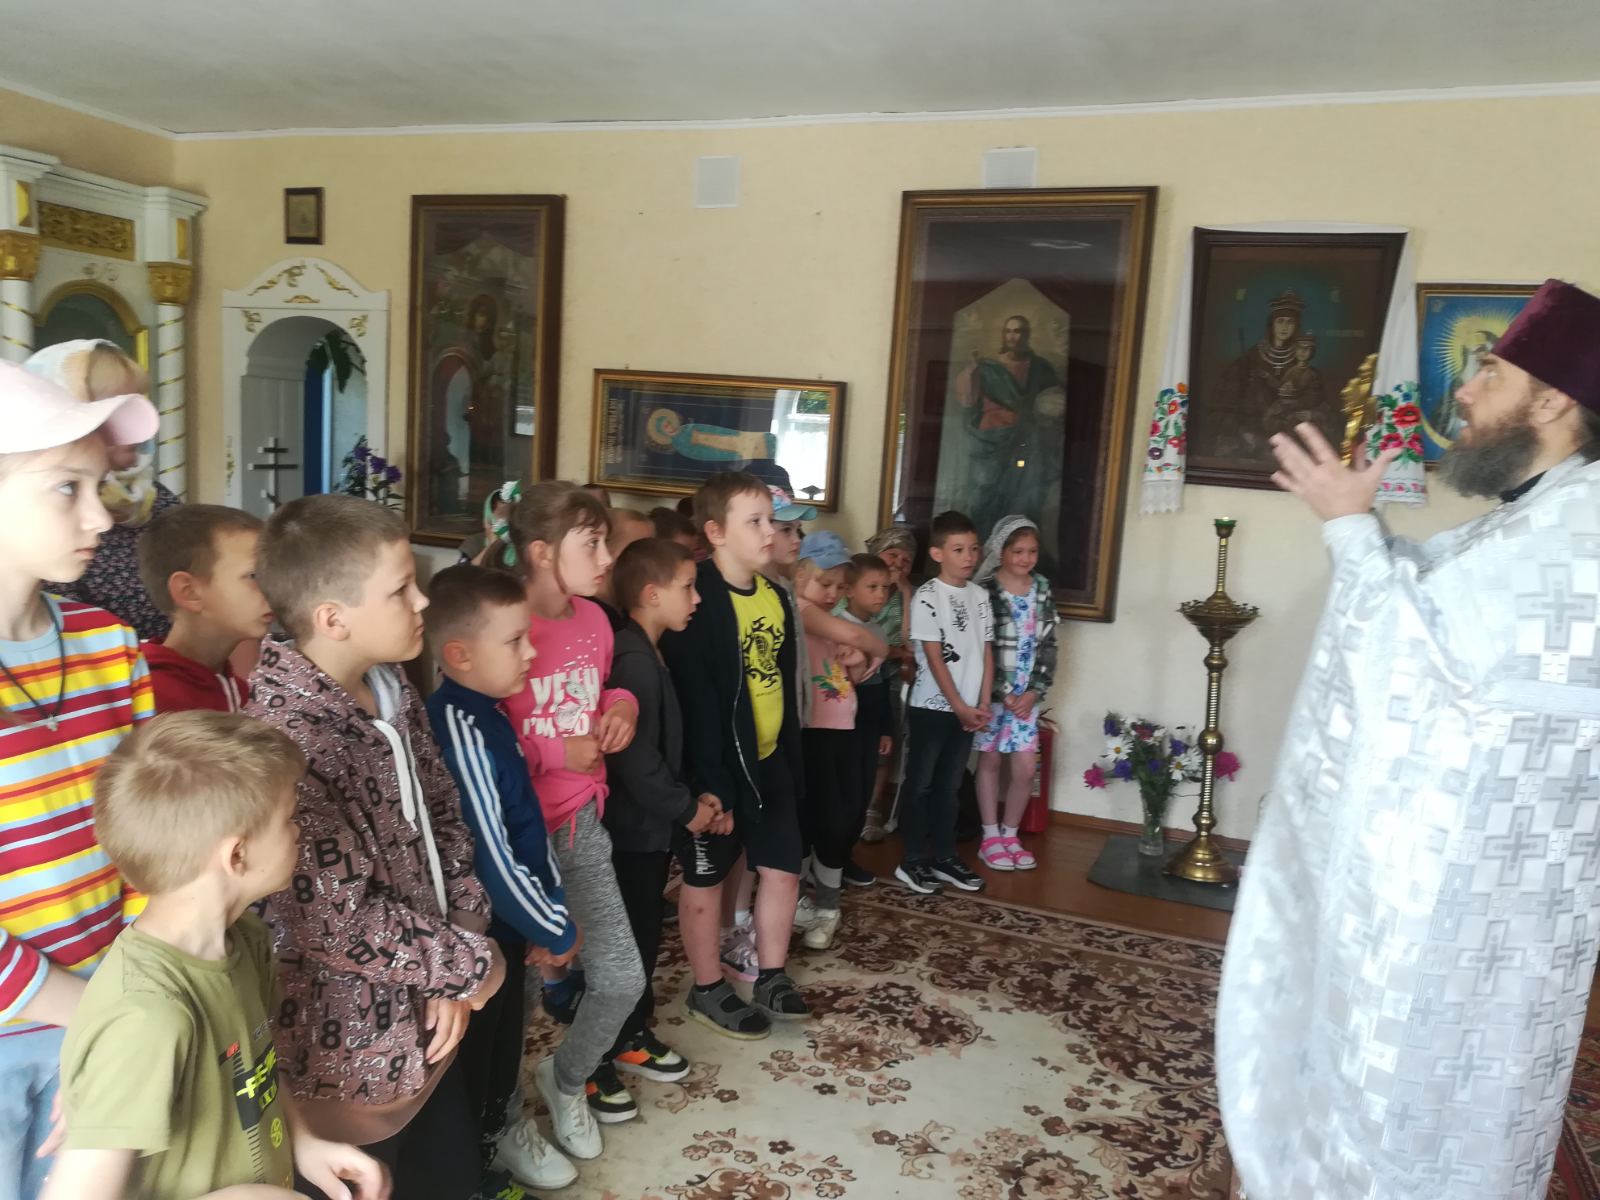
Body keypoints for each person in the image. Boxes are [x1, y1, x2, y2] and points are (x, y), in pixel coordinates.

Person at [1217, 278, 1600, 1200]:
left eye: (1490, 372)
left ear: (1553, 401)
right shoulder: (1548, 514)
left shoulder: (1575, 533)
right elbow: (1436, 618)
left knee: (1416, 1091)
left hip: (1466, 902)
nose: (1463, 391)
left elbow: (1410, 657)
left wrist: (1349, 528)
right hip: (1489, 892)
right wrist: (1362, 527)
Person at [244, 494, 507, 1200]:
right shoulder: (287, 741)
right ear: (334, 618)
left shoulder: (391, 688)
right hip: (348, 1052)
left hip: (428, 1006)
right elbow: (333, 920)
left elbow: (446, 816)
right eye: (401, 589)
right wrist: (471, 966)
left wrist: (458, 951)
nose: (422, 601)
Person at [43, 712, 388, 1200]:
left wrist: (304, 1142)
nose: (299, 831)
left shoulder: (244, 940)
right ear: (237, 856)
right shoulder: (146, 1019)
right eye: (289, 818)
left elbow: (255, 1070)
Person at [0, 361, 157, 1200]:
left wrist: (126, 1002)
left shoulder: (110, 643)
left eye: (101, 487)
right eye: (67, 488)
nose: (101, 516)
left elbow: (149, 837)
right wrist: (90, 1009)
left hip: (113, 1012)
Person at [422, 565, 581, 1194]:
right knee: (478, 1055)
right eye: (515, 640)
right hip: (479, 935)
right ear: (459, 655)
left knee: (504, 1043)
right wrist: (555, 925)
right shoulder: (459, 728)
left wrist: (544, 910)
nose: (532, 652)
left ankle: (495, 1137)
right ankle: (479, 1161)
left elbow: (523, 826)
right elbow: (490, 853)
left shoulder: (487, 712)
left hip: (508, 930)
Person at [499, 483, 646, 1141]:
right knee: (517, 996)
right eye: (592, 543)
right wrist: (558, 750)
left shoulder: (595, 620)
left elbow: (603, 686)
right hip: (514, 839)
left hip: (581, 824)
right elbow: (475, 739)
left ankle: (564, 1080)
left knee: (621, 978)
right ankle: (504, 1122)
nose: (608, 557)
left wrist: (622, 707)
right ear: (541, 552)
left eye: (606, 541)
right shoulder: (500, 625)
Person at [660, 471, 810, 1036]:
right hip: (716, 772)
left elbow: (783, 685)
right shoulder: (697, 598)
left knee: (783, 869)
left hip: (770, 762)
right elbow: (694, 703)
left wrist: (790, 761)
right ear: (716, 532)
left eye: (771, 520)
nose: (770, 532)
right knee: (706, 880)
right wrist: (709, 784)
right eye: (756, 522)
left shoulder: (775, 597)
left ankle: (771, 974)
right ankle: (707, 987)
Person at [603, 539, 723, 1083]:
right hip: (632, 830)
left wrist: (693, 793)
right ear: (652, 595)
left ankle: (631, 1028)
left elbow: (664, 742)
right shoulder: (633, 658)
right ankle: (623, 1038)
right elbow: (633, 756)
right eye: (687, 587)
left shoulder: (649, 651)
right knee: (634, 935)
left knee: (644, 927)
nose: (696, 599)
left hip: (647, 826)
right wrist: (683, 808)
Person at [26, 340, 181, 642]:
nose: (137, 423)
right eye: (115, 408)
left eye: (137, 405)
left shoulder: (153, 496)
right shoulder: (41, 515)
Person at [794, 532, 884, 949]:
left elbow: (855, 669)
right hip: (808, 733)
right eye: (824, 583)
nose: (833, 594)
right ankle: (799, 901)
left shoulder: (832, 622)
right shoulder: (801, 610)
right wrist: (870, 647)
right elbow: (870, 639)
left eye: (840, 587)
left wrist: (857, 661)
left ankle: (828, 906)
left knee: (834, 823)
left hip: (841, 732)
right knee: (805, 823)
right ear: (800, 576)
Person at [897, 510, 992, 896]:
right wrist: (959, 705)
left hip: (968, 709)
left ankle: (945, 855)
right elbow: (934, 659)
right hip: (931, 708)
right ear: (937, 554)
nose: (968, 557)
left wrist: (982, 702)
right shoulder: (927, 596)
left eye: (973, 548)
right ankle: (912, 859)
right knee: (920, 784)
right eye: (958, 549)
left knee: (950, 786)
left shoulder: (980, 596)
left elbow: (986, 651)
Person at [973, 516, 1057, 872]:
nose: (1026, 558)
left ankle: (1010, 834)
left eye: (1032, 551)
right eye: (1018, 551)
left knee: (1024, 768)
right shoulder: (985, 590)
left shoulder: (1042, 588)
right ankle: (990, 836)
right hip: (993, 696)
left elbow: (1049, 644)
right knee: (990, 761)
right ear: (1002, 552)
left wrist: (1034, 691)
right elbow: (980, 647)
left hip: (1026, 698)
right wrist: (1000, 693)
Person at [937, 315, 1064, 546]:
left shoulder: (1040, 367)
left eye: (1019, 331)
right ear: (1004, 335)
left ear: (1027, 335)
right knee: (983, 496)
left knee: (1026, 496)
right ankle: (980, 546)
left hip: (1028, 442)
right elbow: (967, 401)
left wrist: (1044, 410)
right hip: (990, 440)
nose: (1014, 336)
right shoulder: (988, 367)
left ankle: (1018, 549)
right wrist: (972, 371)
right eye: (1010, 331)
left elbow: (1055, 403)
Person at [136, 504, 270, 713]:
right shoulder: (151, 699)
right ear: (189, 592)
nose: (273, 589)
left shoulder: (238, 691)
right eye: (253, 576)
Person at [833, 552, 896, 882]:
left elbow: (882, 686)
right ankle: (829, 861)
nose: (881, 594)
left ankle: (845, 858)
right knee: (841, 796)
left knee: (861, 793)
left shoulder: (878, 631)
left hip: (870, 725)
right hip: (843, 725)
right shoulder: (836, 626)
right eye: (872, 587)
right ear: (849, 589)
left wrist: (886, 729)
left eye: (885, 587)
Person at [856, 527, 917, 844]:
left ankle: (871, 807)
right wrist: (888, 651)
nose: (898, 564)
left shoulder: (909, 595)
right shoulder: (857, 583)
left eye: (906, 560)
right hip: (853, 668)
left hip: (890, 674)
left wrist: (905, 592)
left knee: (885, 739)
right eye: (893, 555)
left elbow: (911, 641)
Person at [458, 481, 518, 568]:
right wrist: (491, 546)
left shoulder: (521, 544)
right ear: (489, 515)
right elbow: (462, 573)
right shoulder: (474, 542)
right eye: (502, 513)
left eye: (511, 513)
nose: (507, 519)